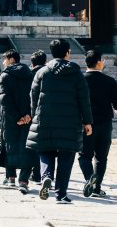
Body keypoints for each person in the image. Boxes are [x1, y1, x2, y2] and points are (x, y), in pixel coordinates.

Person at [26, 38, 93, 203]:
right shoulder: (76, 73)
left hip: (45, 119)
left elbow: (33, 97)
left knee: (45, 151)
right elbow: (84, 99)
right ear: (68, 52)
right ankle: (61, 194)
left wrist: (34, 116)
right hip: (70, 122)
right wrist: (87, 121)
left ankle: (46, 176)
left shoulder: (42, 72)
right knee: (66, 156)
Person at [78, 49, 117, 198]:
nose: (103, 62)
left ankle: (89, 178)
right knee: (101, 157)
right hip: (104, 124)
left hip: (85, 124)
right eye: (102, 60)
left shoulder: (80, 80)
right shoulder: (109, 81)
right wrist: (116, 109)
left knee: (84, 156)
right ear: (98, 63)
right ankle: (96, 188)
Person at [0, 50, 34, 193]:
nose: (3, 62)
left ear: (11, 59)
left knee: (9, 144)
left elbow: (5, 99)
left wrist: (17, 117)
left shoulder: (5, 75)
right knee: (27, 147)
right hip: (28, 118)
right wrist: (28, 115)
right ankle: (24, 180)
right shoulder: (30, 74)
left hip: (10, 118)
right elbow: (35, 96)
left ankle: (11, 177)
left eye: (5, 59)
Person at [28, 49, 49, 183]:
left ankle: (34, 173)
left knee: (32, 145)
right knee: (44, 146)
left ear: (32, 63)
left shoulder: (28, 74)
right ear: (45, 61)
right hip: (46, 113)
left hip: (30, 113)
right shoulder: (49, 74)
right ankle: (43, 173)